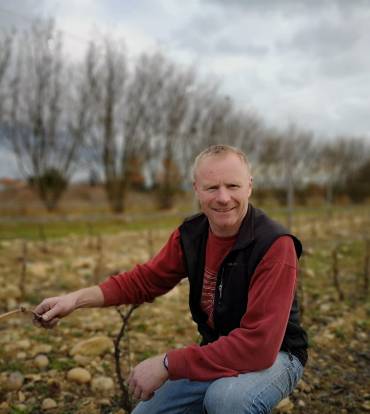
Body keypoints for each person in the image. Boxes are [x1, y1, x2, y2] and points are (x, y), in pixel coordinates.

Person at [35, 145, 308, 414]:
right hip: (217, 352)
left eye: (233, 186)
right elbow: (143, 281)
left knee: (226, 400)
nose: (223, 197)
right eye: (212, 188)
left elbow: (258, 347)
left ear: (249, 186)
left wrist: (168, 364)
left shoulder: (274, 244)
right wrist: (75, 299)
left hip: (278, 355)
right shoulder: (191, 235)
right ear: (196, 190)